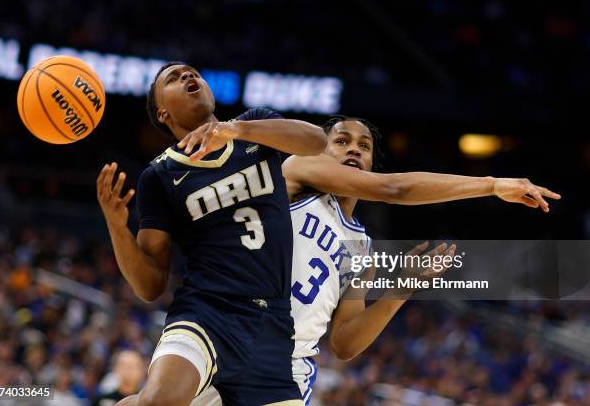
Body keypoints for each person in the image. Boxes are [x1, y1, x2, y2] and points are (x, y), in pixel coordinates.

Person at [193, 115, 561, 406]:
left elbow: (344, 344)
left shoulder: (361, 247)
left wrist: (401, 289)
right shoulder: (297, 175)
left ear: (370, 160)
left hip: (287, 367)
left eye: (364, 146)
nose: (353, 149)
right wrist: (493, 184)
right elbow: (394, 188)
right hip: (234, 333)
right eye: (341, 141)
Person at [96, 61, 327, 406]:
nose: (188, 76)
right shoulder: (159, 175)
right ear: (163, 114)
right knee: (160, 401)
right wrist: (117, 228)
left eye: (192, 72)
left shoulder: (255, 125)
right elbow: (150, 286)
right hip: (208, 312)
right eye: (174, 79)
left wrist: (237, 130)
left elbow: (316, 141)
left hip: (273, 326)